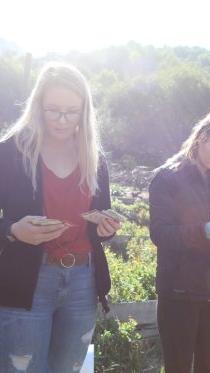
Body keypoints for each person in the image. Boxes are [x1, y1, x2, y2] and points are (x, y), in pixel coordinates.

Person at [0, 62, 121, 372]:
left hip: (83, 281)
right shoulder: (11, 152)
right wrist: (13, 230)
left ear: (84, 111)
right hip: (26, 281)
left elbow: (98, 225)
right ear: (37, 105)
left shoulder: (95, 157)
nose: (62, 120)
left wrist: (106, 228)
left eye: (72, 111)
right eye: (54, 110)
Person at [149, 106, 210, 373]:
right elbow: (160, 234)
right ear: (202, 137)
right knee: (177, 367)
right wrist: (203, 231)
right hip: (178, 290)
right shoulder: (167, 177)